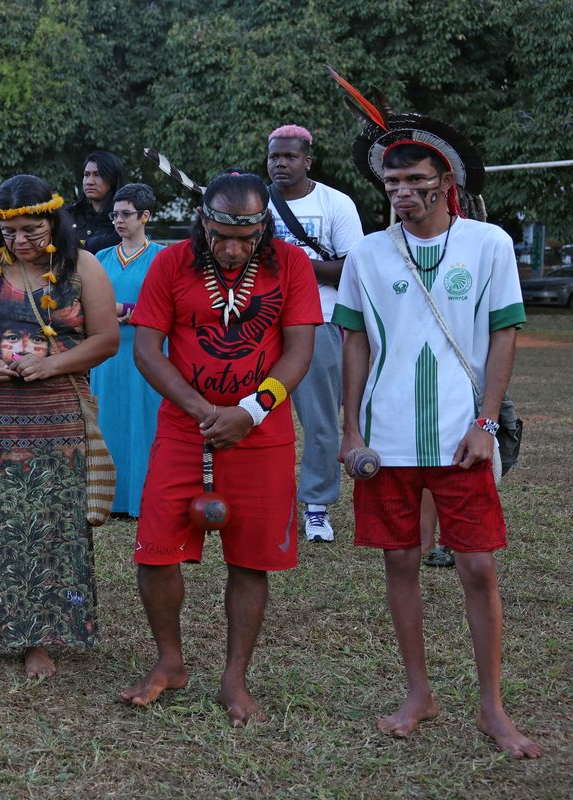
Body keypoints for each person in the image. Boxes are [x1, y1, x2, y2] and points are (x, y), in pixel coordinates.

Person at [331, 81, 539, 757]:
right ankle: (418, 693)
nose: (402, 191)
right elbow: (354, 340)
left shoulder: (489, 245)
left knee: (477, 567)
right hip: (385, 439)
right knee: (399, 559)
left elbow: (504, 335)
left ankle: (492, 709)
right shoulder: (366, 253)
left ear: (444, 181)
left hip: (460, 438)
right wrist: (351, 431)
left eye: (416, 179)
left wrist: (484, 424)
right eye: (392, 180)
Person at [120, 171, 320, 726]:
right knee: (155, 551)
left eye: (246, 238)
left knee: (250, 559)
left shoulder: (292, 266)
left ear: (264, 230)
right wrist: (201, 410)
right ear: (203, 222)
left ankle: (235, 679)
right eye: (221, 237)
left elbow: (299, 350)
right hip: (185, 429)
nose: (232, 250)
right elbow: (146, 348)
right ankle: (170, 662)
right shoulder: (170, 264)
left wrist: (250, 411)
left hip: (263, 434)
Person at [0, 175, 119, 677]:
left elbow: (106, 339)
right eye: (11, 231)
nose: (21, 242)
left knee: (50, 527)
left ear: (54, 222)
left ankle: (41, 638)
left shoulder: (81, 267)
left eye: (32, 231)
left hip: (57, 415)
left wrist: (51, 366)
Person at [265, 125, 364, 543]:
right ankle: (260, 499)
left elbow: (352, 269)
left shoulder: (335, 204)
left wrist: (292, 264)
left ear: (308, 160)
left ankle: (318, 508)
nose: (280, 164)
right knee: (256, 417)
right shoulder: (256, 201)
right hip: (260, 323)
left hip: (318, 321)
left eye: (289, 157)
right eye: (274, 157)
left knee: (320, 421)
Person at [90, 183, 165, 517]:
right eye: (114, 214)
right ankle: (108, 499)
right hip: (106, 356)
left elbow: (169, 305)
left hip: (147, 354)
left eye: (126, 214)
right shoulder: (99, 259)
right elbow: (84, 303)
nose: (118, 220)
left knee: (143, 422)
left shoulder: (162, 257)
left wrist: (127, 309)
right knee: (106, 421)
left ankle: (142, 497)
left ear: (145, 216)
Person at [68, 150, 125, 253]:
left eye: (97, 174)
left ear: (112, 178)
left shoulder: (123, 219)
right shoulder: (69, 215)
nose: (89, 182)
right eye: (86, 175)